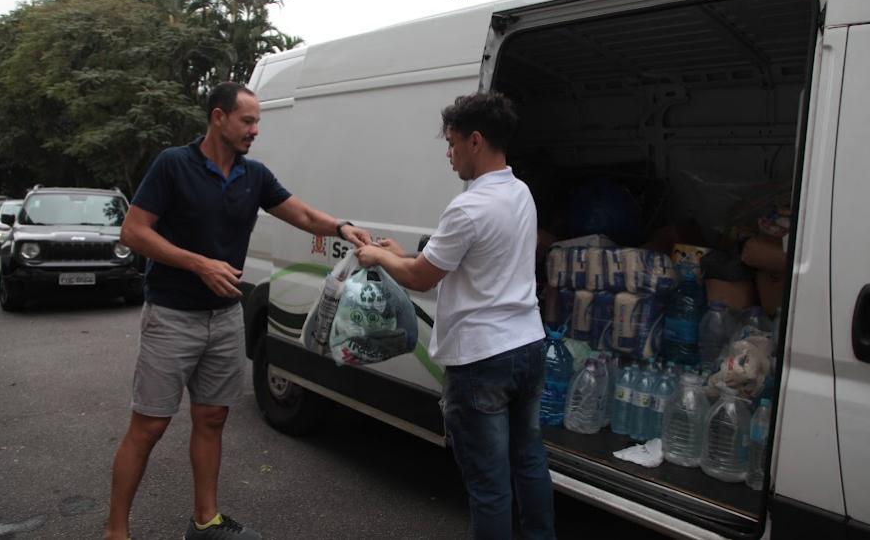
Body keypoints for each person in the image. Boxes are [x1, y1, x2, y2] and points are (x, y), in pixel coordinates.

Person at [104, 82, 371, 540]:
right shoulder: (174, 165)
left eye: (257, 121)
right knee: (149, 426)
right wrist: (197, 263)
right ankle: (116, 531)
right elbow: (133, 232)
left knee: (212, 419)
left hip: (225, 316)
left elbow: (303, 216)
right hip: (172, 315)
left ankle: (205, 522)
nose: (255, 130)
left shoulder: (254, 176)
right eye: (247, 121)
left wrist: (343, 226)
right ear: (218, 118)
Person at [355, 91, 555, 539]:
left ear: (476, 141)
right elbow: (469, 262)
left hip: (481, 360)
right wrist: (402, 253)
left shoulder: (468, 206)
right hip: (528, 346)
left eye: (452, 142)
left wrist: (378, 257)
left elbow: (423, 279)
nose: (449, 154)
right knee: (529, 463)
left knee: (488, 485)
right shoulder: (520, 193)